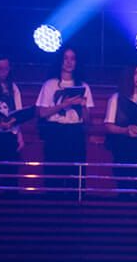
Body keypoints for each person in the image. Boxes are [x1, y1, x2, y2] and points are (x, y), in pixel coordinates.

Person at [35, 48, 93, 185]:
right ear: (60, 61)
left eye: (72, 58)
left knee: (75, 172)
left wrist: (83, 105)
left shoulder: (84, 86)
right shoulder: (50, 84)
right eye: (66, 58)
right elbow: (41, 113)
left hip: (75, 132)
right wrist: (63, 105)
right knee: (54, 172)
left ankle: (76, 201)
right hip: (55, 131)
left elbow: (88, 120)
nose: (69, 62)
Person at [102, 63, 137, 175]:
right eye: (135, 73)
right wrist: (125, 131)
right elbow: (108, 125)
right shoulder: (116, 98)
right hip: (121, 146)